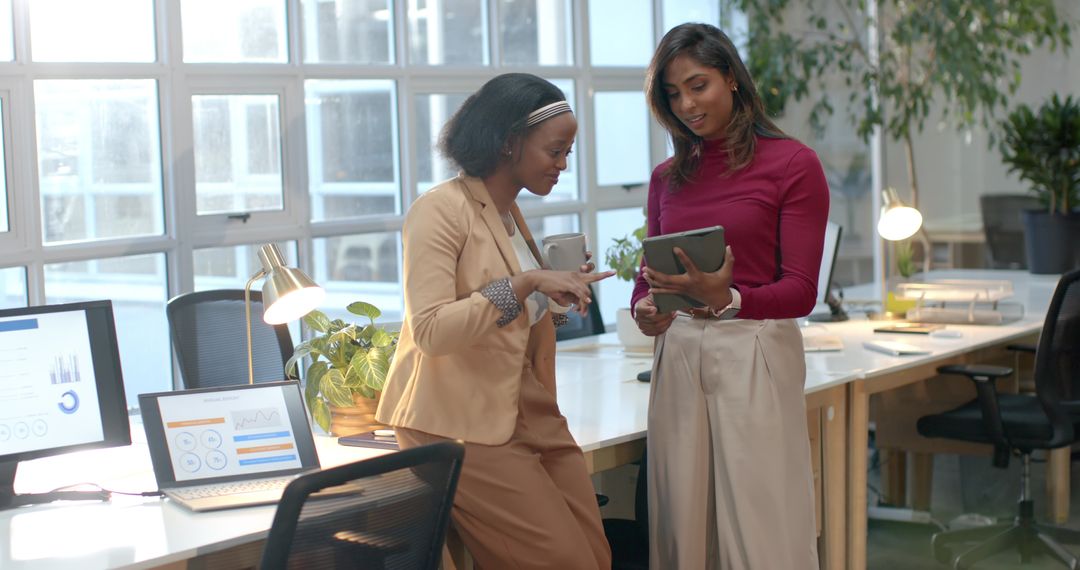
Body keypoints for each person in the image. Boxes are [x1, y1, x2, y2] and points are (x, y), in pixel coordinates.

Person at [376, 73, 614, 570]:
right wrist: (528, 284)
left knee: (595, 555)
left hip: (524, 406)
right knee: (568, 563)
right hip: (458, 420)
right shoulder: (438, 210)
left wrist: (558, 292)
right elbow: (432, 330)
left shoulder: (510, 214)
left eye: (568, 152)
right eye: (555, 151)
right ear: (509, 143)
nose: (563, 165)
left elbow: (508, 317)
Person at [631, 23, 829, 569]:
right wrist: (645, 309)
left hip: (755, 346)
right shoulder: (666, 177)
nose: (687, 104)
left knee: (760, 523)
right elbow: (648, 276)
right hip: (679, 353)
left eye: (698, 86)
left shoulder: (793, 164)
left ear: (732, 80)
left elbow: (802, 291)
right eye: (672, 94)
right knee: (682, 526)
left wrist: (729, 297)